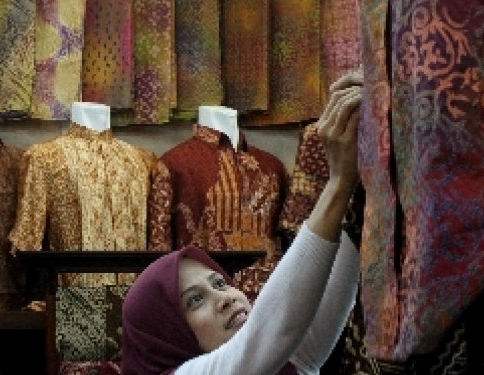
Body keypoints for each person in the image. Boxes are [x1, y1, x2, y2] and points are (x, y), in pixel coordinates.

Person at [120, 70, 364, 375]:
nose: (224, 298)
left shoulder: (269, 165)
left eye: (220, 282)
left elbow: (301, 344)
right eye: (195, 300)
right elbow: (268, 340)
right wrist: (339, 182)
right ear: (166, 336)